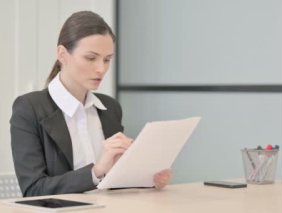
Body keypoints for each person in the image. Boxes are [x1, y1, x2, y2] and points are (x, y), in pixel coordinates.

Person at [10, 11, 172, 197]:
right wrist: (96, 171)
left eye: (107, 59)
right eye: (90, 58)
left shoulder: (110, 108)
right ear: (62, 54)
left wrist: (147, 179)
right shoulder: (29, 109)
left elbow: (115, 182)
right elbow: (34, 189)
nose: (101, 69)